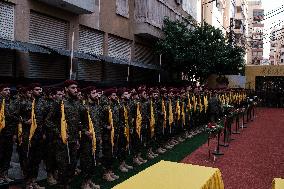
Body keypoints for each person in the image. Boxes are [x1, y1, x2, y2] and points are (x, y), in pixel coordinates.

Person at [45, 80, 86, 189]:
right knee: (63, 168)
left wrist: (77, 138)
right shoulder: (59, 102)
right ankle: (62, 185)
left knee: (72, 167)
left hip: (73, 140)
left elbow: (77, 123)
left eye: (76, 88)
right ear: (66, 89)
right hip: (62, 141)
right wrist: (59, 133)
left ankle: (67, 184)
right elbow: (48, 121)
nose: (75, 90)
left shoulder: (76, 103)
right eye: (73, 88)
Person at [0, 84, 19, 184]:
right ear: (0, 91)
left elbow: (15, 118)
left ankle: (4, 175)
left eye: (9, 89)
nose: (8, 91)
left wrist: (15, 133)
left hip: (9, 133)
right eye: (5, 90)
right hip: (0, 133)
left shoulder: (12, 102)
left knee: (7, 155)